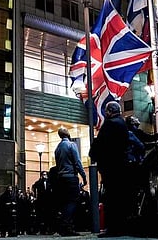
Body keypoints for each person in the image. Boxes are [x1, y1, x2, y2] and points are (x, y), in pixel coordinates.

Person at [89, 101, 131, 238]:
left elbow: (100, 145)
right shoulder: (122, 124)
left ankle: (113, 228)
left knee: (111, 198)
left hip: (110, 166)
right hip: (122, 165)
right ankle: (121, 227)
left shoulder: (110, 124)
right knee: (120, 197)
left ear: (108, 112)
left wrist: (94, 153)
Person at [54, 127, 87, 237]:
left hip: (61, 178)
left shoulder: (57, 148)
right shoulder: (71, 145)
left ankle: (64, 227)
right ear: (67, 134)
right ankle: (66, 225)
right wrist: (84, 176)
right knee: (72, 201)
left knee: (64, 202)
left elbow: (57, 165)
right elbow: (77, 162)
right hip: (70, 177)